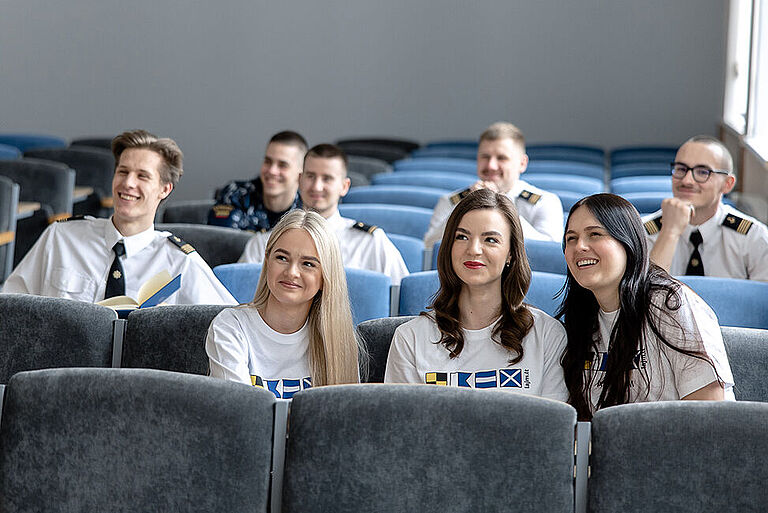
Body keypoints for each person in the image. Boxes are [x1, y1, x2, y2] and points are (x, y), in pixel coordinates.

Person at [3, 130, 236, 305]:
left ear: (164, 189)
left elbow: (229, 325)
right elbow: (11, 304)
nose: (128, 183)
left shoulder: (180, 263)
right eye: (123, 172)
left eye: (142, 176)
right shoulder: (61, 237)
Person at [559, 193, 734, 420]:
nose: (580, 246)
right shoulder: (580, 318)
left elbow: (708, 413)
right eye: (571, 238)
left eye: (595, 234)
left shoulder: (671, 304)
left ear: (628, 242)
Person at [385, 189, 567, 400]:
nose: (473, 249)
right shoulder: (410, 338)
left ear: (511, 254)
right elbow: (405, 427)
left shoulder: (547, 335)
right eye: (462, 237)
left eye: (490, 240)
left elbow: (553, 428)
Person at [206, 210, 360, 397]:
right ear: (267, 261)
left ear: (325, 277)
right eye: (282, 258)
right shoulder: (230, 327)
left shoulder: (339, 339)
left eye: (308, 264)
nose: (292, 272)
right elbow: (241, 415)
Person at [239, 144, 410, 285]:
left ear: (344, 186)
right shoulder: (265, 242)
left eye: (327, 178)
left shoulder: (371, 243)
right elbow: (243, 296)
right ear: (299, 180)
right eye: (310, 176)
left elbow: (399, 303)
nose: (317, 186)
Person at [643, 135, 768, 280]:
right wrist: (669, 233)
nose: (687, 180)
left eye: (703, 172)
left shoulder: (754, 237)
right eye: (681, 169)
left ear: (727, 184)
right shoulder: (643, 233)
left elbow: (761, 300)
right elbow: (643, 298)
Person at [423, 122, 564, 249]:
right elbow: (429, 246)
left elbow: (548, 252)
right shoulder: (451, 201)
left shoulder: (545, 202)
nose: (491, 165)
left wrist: (503, 206)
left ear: (522, 163)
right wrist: (464, 208)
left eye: (502, 158)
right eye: (485, 157)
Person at [207, 131, 306, 231]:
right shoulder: (236, 195)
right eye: (268, 161)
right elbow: (219, 241)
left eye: (282, 165)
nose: (272, 171)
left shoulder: (308, 210)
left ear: (300, 175)